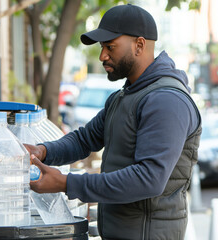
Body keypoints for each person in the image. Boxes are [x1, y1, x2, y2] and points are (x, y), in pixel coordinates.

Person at [26, 4, 201, 240]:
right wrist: (41, 151)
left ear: (139, 45)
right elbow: (84, 139)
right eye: (102, 47)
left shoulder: (166, 101)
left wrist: (67, 183)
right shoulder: (124, 96)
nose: (102, 56)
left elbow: (148, 179)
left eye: (110, 47)